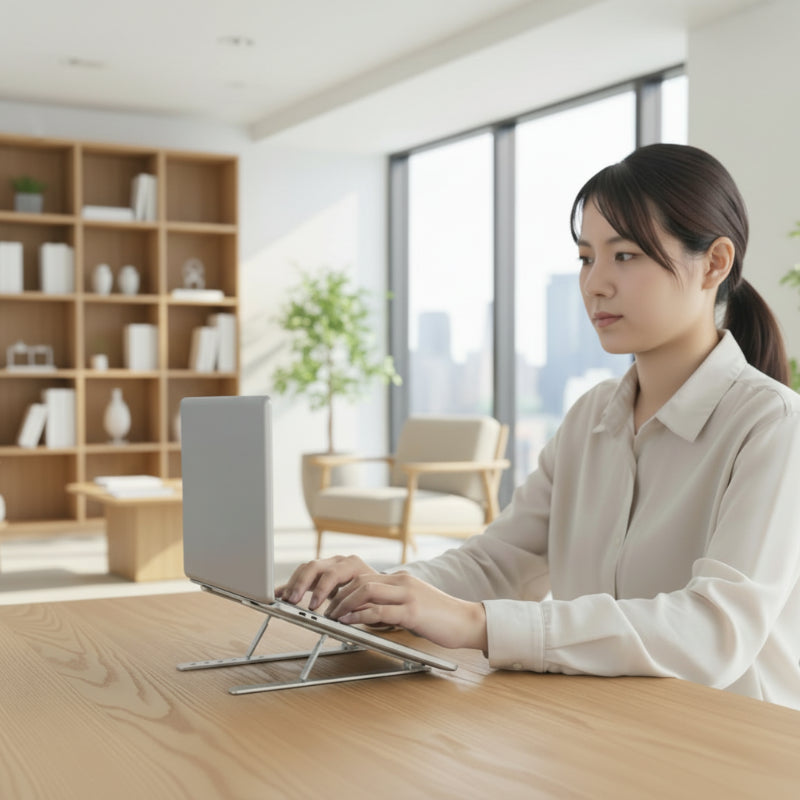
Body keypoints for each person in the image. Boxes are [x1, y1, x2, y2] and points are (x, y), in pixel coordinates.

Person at [279, 143, 800, 708]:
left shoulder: (772, 424)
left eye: (625, 255)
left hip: (735, 739)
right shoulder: (591, 417)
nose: (595, 283)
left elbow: (714, 632)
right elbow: (499, 562)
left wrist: (479, 624)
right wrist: (382, 592)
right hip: (606, 723)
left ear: (715, 263)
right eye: (586, 257)